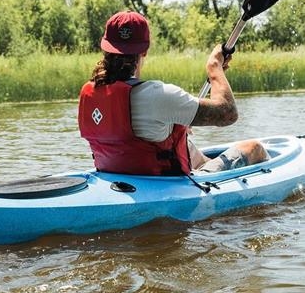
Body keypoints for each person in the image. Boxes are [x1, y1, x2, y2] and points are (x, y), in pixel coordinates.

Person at [78, 10, 268, 176]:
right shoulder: (157, 95)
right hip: (164, 184)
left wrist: (177, 127)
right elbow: (227, 113)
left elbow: (130, 136)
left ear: (105, 47)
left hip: (118, 178)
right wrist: (215, 68)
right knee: (254, 148)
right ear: (144, 51)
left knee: (192, 149)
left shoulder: (88, 95)